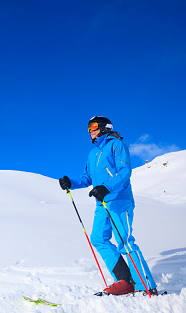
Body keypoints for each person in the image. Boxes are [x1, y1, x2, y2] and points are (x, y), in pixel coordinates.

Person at [59, 116, 157, 296]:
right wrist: (70, 182)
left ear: (105, 127)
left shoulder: (116, 144)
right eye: (89, 128)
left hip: (119, 199)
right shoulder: (93, 153)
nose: (91, 130)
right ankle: (124, 280)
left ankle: (145, 285)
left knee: (124, 242)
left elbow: (125, 171)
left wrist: (107, 187)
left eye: (94, 126)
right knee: (98, 238)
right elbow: (87, 178)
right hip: (101, 203)